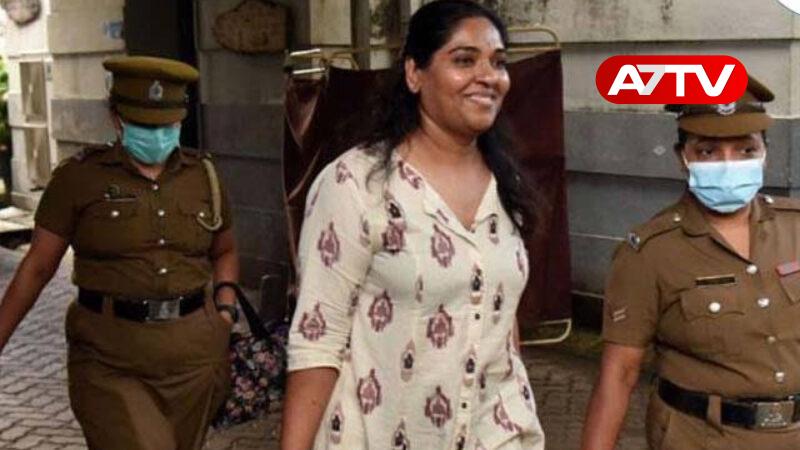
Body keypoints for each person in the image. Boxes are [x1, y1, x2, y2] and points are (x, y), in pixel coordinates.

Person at [280, 1, 545, 449]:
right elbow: (317, 339)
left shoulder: (507, 186)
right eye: (465, 60)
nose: (489, 76)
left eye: (498, 62)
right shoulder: (356, 185)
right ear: (414, 74)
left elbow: (500, 319)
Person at [0, 56, 240, 450]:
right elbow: (37, 267)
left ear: (180, 121)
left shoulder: (204, 176)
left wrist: (226, 309)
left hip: (194, 361)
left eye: (165, 125)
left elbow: (225, 249)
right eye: (144, 125)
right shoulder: (79, 178)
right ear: (116, 118)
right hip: (109, 361)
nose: (156, 135)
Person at [581, 76, 800, 449]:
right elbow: (619, 373)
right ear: (682, 158)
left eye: (746, 150)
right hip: (703, 438)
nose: (729, 164)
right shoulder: (650, 252)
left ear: (766, 153)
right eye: (709, 151)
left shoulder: (794, 226)